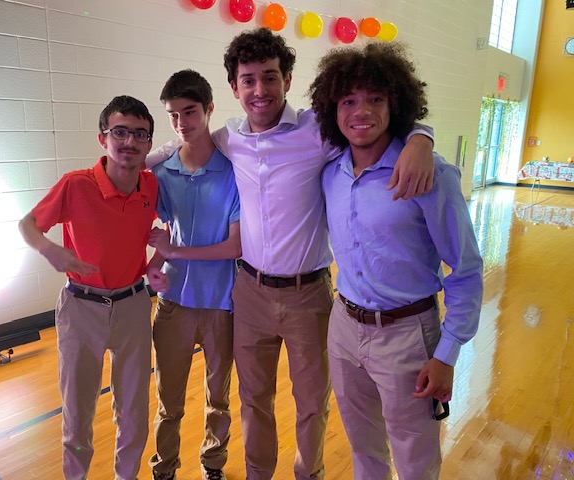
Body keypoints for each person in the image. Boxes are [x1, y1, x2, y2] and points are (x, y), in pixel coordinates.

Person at [147, 27, 435, 480]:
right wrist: (128, 159)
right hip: (249, 292)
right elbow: (184, 140)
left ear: (288, 78)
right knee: (253, 400)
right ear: (233, 87)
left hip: (308, 296)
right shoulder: (229, 137)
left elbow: (374, 125)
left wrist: (422, 137)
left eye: (269, 77)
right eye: (248, 80)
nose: (259, 90)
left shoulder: (317, 133)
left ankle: (309, 475)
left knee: (310, 404)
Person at [309, 42, 484, 479]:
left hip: (408, 335)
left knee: (415, 457)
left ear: (395, 104)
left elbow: (465, 272)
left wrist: (447, 354)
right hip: (344, 327)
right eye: (348, 100)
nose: (360, 111)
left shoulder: (431, 175)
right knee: (363, 446)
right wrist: (422, 134)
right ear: (334, 109)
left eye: (375, 98)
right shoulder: (330, 171)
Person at [18, 95, 168, 480]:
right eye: (120, 132)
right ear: (103, 138)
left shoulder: (151, 185)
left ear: (149, 143)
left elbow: (171, 230)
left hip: (134, 305)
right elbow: (28, 225)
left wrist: (155, 264)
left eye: (140, 134)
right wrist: (50, 250)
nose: (129, 142)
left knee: (134, 412)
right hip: (81, 309)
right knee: (78, 415)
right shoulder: (76, 185)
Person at [146, 70, 241, 480]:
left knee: (218, 399)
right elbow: (166, 231)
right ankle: (164, 469)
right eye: (173, 115)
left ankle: (213, 465)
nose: (182, 123)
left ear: (209, 109)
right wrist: (153, 265)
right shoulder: (163, 172)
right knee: (169, 401)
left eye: (190, 112)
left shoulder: (236, 170)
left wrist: (173, 251)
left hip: (223, 302)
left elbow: (235, 246)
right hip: (174, 302)